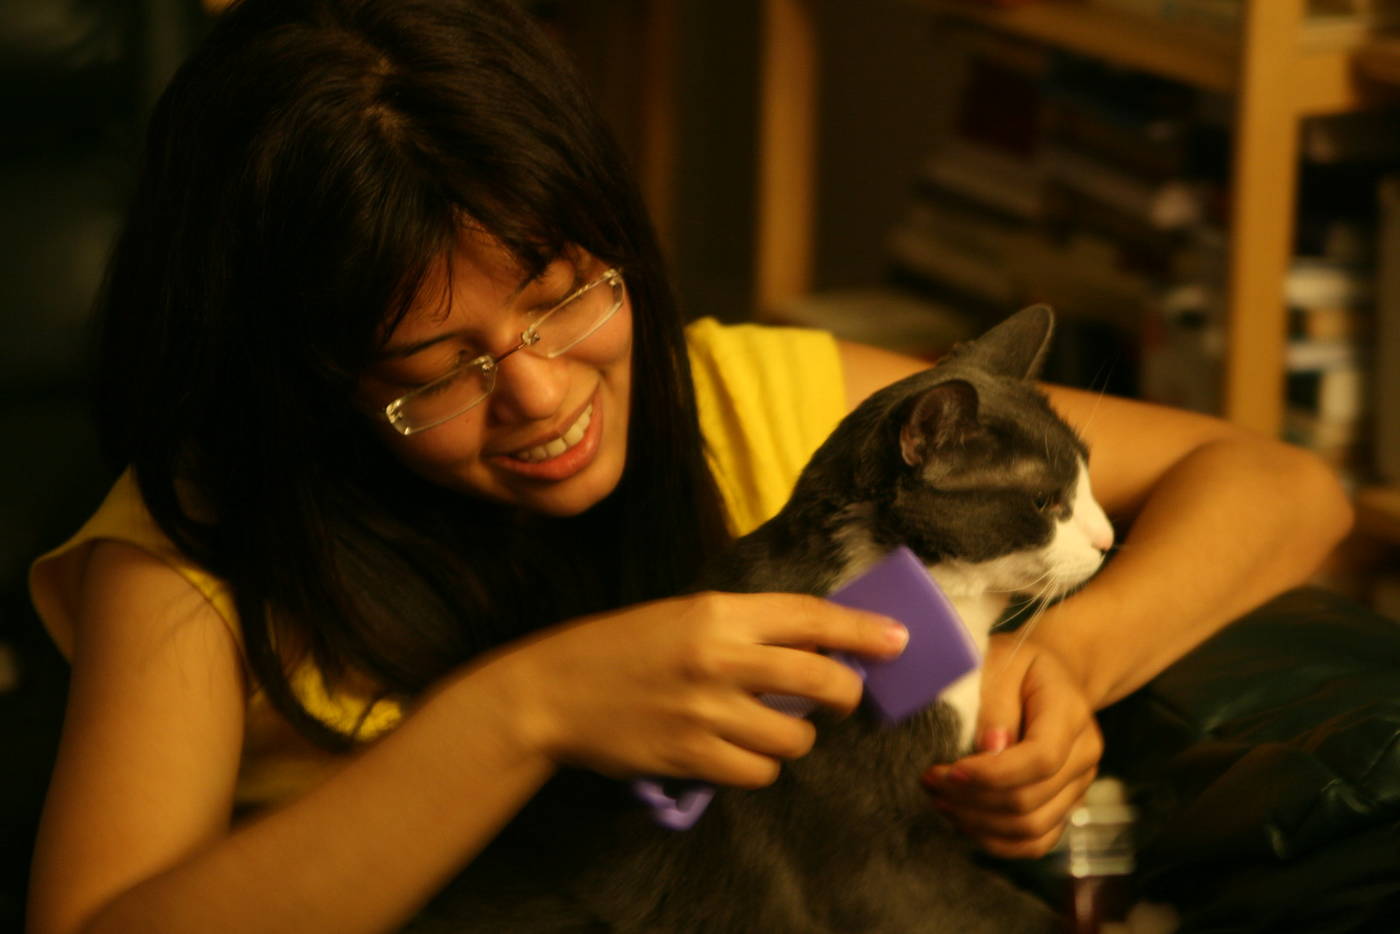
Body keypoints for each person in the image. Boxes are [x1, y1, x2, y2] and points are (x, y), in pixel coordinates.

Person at [24, 1, 1353, 932]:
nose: (539, 394)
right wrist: (521, 713)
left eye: (562, 297)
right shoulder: (196, 552)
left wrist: (1057, 664)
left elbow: (1283, 490)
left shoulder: (749, 405)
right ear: (310, 381)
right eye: (432, 368)